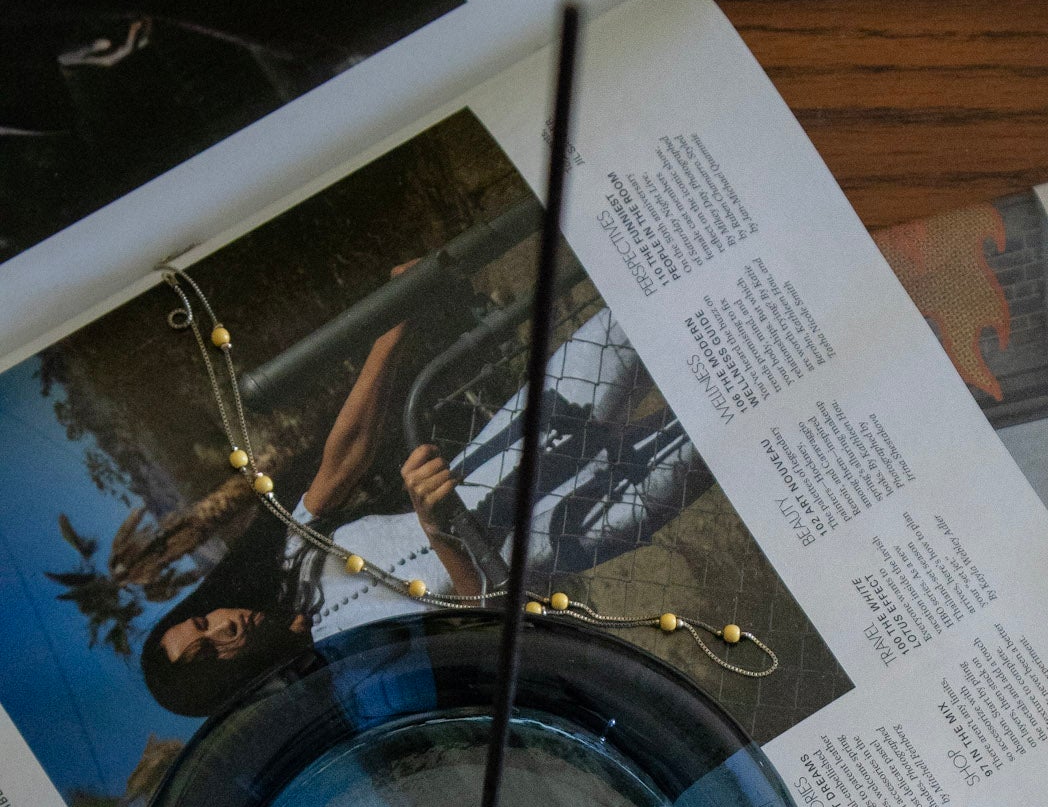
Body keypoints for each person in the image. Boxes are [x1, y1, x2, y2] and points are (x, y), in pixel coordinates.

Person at [142, 296, 706, 718]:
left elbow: (347, 454)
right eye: (207, 653)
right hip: (576, 527)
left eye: (202, 621)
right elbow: (487, 624)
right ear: (228, 685)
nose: (223, 628)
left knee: (644, 309)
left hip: (529, 430)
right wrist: (441, 535)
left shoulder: (294, 559)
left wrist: (395, 316)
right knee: (725, 414)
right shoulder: (355, 676)